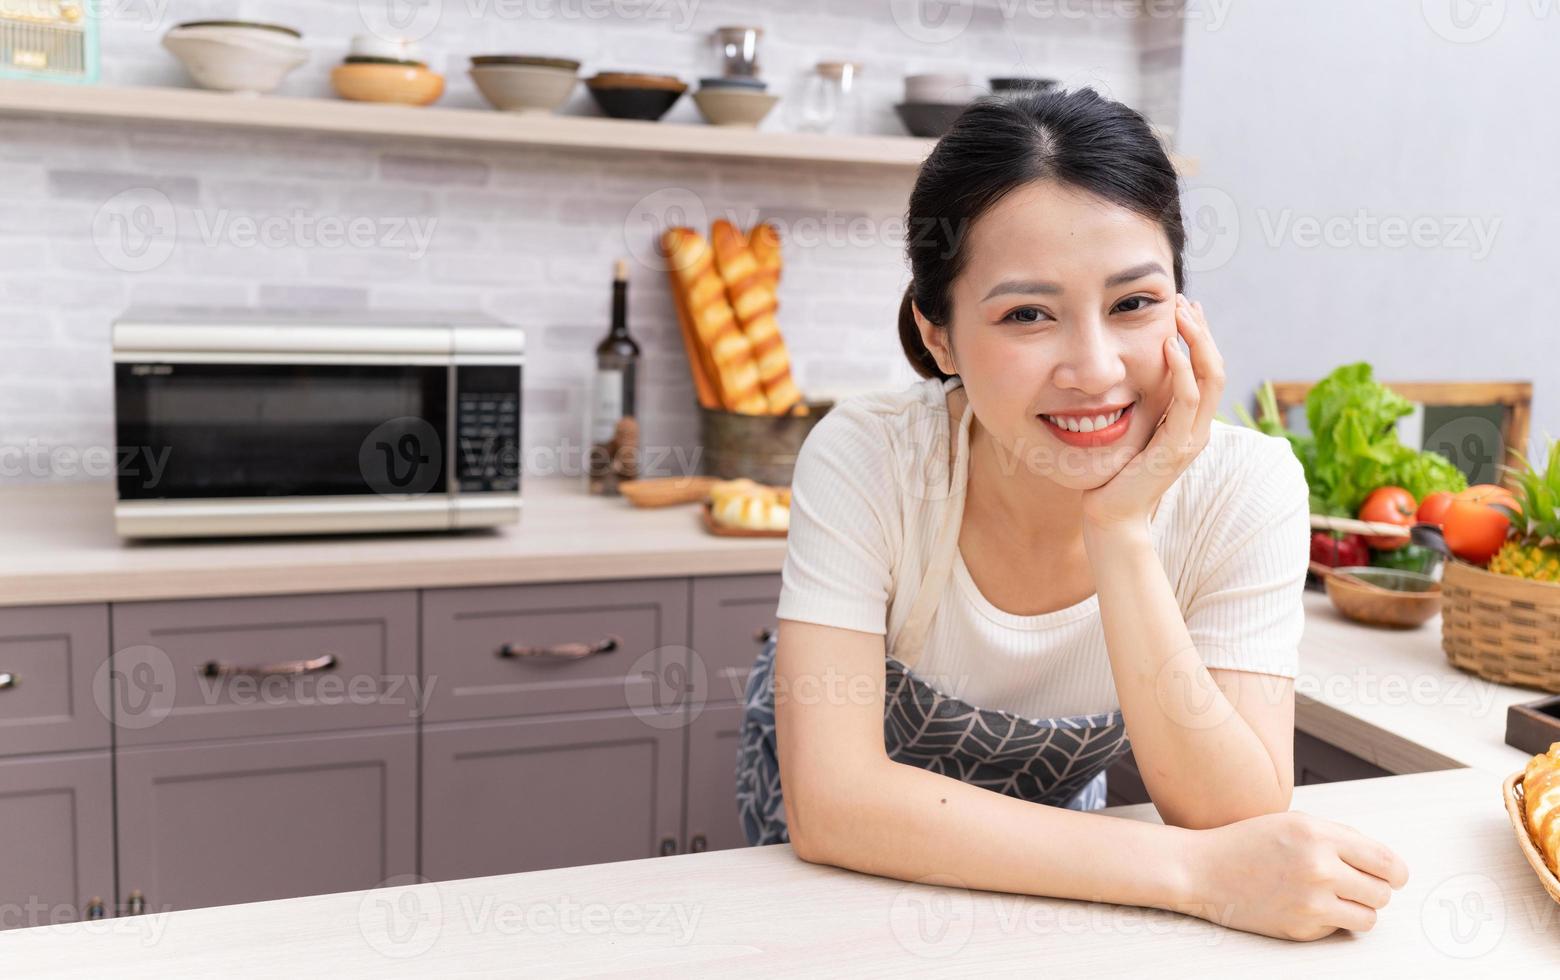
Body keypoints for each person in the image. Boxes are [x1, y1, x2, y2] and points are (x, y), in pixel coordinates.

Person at [734, 87, 1409, 942]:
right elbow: (836, 805)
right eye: (1027, 315)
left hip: (1062, 872)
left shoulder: (1246, 486)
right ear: (938, 337)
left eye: (1134, 304)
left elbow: (1235, 811)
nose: (1094, 370)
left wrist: (1121, 531)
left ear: (1184, 310)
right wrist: (1193, 877)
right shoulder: (870, 458)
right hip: (849, 879)